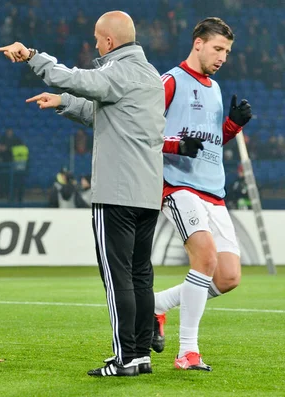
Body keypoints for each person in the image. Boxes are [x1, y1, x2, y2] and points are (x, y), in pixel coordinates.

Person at [0, 11, 165, 377]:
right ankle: (139, 355)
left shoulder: (115, 71)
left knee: (116, 276)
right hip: (148, 193)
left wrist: (32, 56)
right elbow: (103, 110)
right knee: (140, 275)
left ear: (108, 41)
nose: (93, 44)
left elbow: (76, 79)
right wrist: (62, 103)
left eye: (95, 38)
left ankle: (124, 358)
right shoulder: (150, 75)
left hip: (116, 193)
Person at [152, 17, 252, 371]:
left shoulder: (215, 88)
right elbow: (141, 135)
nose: (223, 56)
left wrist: (233, 125)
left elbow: (208, 144)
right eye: (218, 48)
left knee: (227, 277)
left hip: (214, 190)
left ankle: (158, 304)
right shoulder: (169, 82)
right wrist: (176, 145)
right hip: (178, 185)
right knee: (206, 260)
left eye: (226, 51)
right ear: (198, 43)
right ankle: (187, 352)